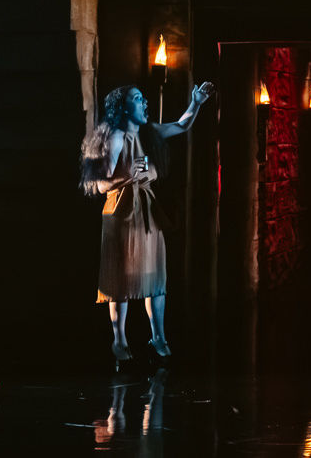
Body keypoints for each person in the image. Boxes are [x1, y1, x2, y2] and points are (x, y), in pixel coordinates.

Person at [80, 80, 215, 363]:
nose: (144, 103)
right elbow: (101, 185)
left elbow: (181, 125)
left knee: (155, 274)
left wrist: (196, 103)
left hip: (146, 210)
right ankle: (119, 340)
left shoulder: (147, 132)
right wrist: (129, 174)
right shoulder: (116, 138)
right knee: (121, 276)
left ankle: (159, 337)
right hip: (121, 211)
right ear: (123, 108)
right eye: (137, 98)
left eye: (143, 98)